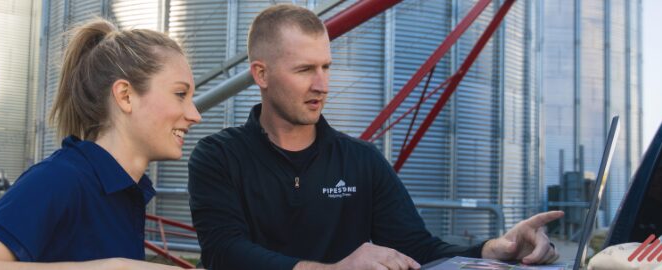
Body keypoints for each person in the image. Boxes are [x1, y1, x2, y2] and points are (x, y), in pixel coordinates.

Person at [187, 4, 562, 270]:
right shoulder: (219, 156)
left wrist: (494, 249)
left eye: (326, 67)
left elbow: (418, 247)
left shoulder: (361, 161)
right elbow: (225, 253)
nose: (321, 84)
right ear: (261, 74)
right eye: (304, 69)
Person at [0, 18, 201, 269]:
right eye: (180, 94)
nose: (195, 115)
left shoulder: (125, 192)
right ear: (125, 96)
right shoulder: (61, 179)